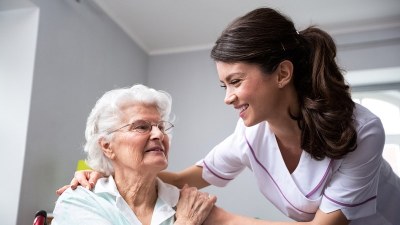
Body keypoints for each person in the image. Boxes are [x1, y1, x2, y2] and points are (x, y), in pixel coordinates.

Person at [57, 7, 400, 225]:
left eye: (235, 82)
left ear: (282, 74)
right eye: (223, 84)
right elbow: (181, 180)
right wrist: (98, 173)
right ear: (107, 144)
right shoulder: (249, 136)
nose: (228, 98)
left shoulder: (361, 130)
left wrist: (206, 220)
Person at [52, 84, 216, 225]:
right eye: (142, 127)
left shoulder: (189, 203)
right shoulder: (80, 201)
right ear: (107, 146)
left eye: (161, 127)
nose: (158, 134)